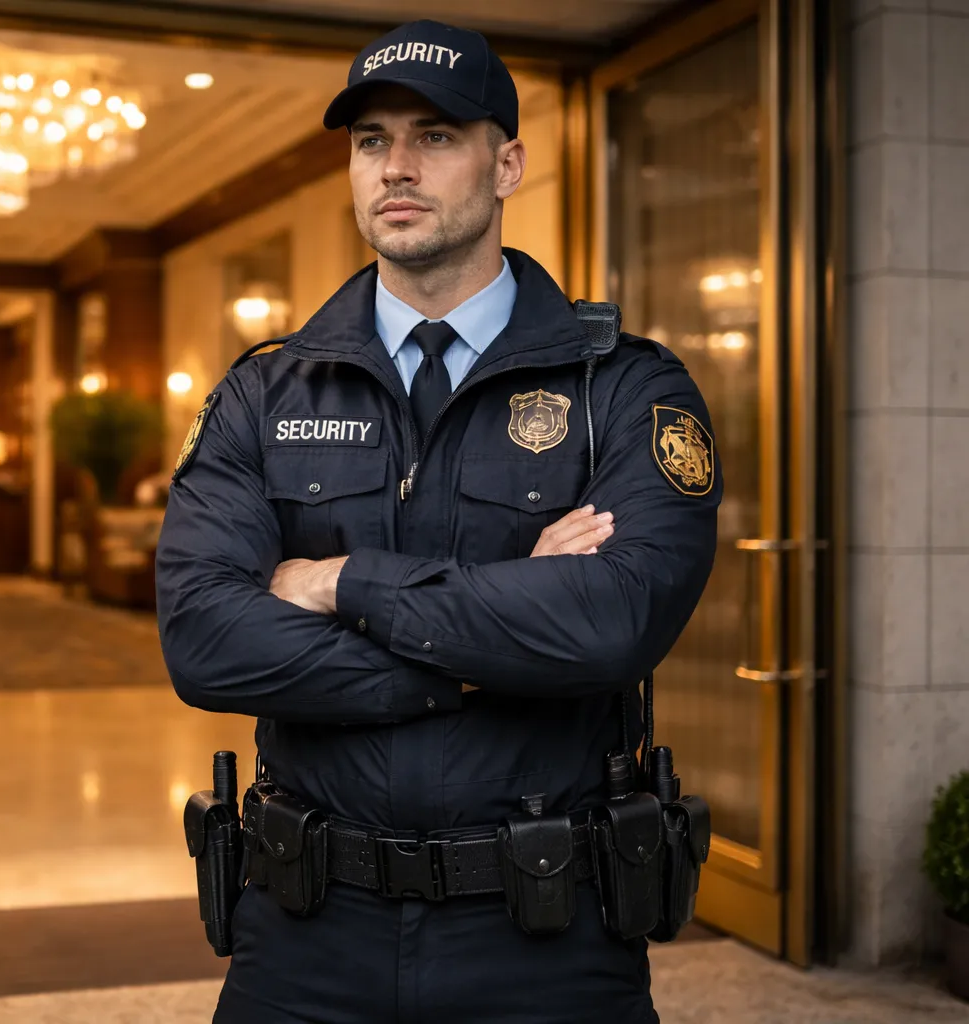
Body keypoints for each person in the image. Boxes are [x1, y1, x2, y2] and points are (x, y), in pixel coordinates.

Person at [156, 19, 721, 1024]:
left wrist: (336, 582)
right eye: (371, 140)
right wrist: (494, 646)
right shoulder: (264, 391)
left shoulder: (620, 387)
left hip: (545, 935)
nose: (397, 167)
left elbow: (611, 623)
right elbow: (205, 641)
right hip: (304, 930)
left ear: (507, 166)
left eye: (437, 135)